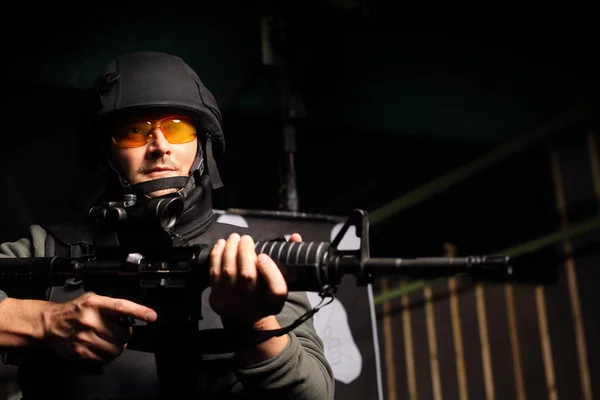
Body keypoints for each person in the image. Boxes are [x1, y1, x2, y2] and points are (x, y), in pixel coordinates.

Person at [0, 51, 335, 399]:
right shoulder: (47, 248)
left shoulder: (254, 257)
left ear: (201, 145)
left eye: (177, 128)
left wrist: (255, 324)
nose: (160, 146)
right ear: (106, 153)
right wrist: (47, 322)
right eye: (134, 131)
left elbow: (315, 395)